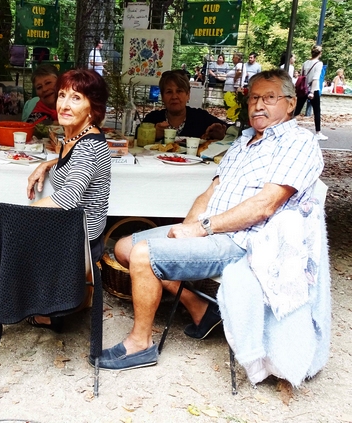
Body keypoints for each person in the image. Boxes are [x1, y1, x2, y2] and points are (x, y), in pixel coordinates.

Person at [96, 69, 323, 370]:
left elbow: (265, 206)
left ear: (291, 104)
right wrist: (186, 228)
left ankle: (141, 345)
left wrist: (203, 228)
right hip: (212, 232)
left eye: (269, 98)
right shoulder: (243, 142)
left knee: (143, 254)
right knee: (124, 247)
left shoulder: (296, 142)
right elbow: (211, 190)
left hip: (246, 241)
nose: (258, 105)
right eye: (254, 98)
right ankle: (200, 307)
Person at [26, 69, 112, 331]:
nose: (63, 104)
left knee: (10, 235)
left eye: (76, 98)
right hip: (77, 229)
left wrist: (22, 214)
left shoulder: (87, 145)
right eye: (62, 95)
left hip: (82, 240)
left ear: (92, 108)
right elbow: (77, 163)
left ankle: (49, 312)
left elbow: (68, 197)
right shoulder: (76, 137)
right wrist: (50, 163)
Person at [141, 70, 227, 141]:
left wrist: (220, 135)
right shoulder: (152, 119)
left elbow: (232, 132)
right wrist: (152, 134)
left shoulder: (201, 117)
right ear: (162, 97)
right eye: (169, 92)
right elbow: (134, 141)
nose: (174, 96)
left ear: (188, 94)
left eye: (179, 91)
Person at [295, 44, 327, 140]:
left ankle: (287, 127)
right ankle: (318, 132)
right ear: (320, 53)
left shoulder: (305, 63)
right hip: (313, 89)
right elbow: (315, 78)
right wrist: (312, 92)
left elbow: (302, 75)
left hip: (303, 88)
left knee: (297, 109)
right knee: (317, 111)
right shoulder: (319, 63)